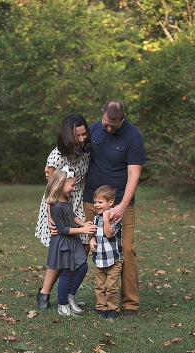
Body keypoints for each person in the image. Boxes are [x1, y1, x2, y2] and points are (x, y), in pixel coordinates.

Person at [83, 99, 145, 317]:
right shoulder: (93, 129)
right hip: (91, 200)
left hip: (120, 203)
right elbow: (73, 152)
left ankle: (130, 304)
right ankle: (69, 297)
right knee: (83, 246)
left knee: (126, 250)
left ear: (123, 118)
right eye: (106, 124)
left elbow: (133, 174)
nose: (108, 128)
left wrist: (121, 206)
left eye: (113, 125)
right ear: (102, 114)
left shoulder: (133, 137)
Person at [34, 114, 92, 310]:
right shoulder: (56, 156)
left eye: (84, 134)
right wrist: (51, 216)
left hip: (77, 203)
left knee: (82, 249)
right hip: (56, 205)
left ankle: (68, 294)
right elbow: (51, 189)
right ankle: (44, 293)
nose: (83, 138)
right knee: (62, 252)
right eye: (78, 135)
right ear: (69, 136)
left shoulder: (86, 152)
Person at [44, 166, 96, 316]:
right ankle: (62, 305)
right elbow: (62, 230)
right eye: (72, 185)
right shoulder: (56, 205)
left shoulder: (66, 199)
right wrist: (82, 230)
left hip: (73, 240)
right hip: (63, 243)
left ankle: (70, 296)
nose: (74, 188)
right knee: (66, 272)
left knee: (82, 267)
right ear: (60, 185)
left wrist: (83, 224)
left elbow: (72, 216)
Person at [88, 185, 123, 319]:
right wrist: (91, 239)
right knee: (100, 286)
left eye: (100, 202)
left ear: (110, 202)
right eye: (95, 202)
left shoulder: (115, 217)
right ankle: (101, 307)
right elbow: (95, 232)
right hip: (99, 258)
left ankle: (113, 309)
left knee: (111, 286)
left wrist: (107, 219)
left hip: (113, 259)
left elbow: (109, 234)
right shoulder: (97, 218)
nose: (96, 205)